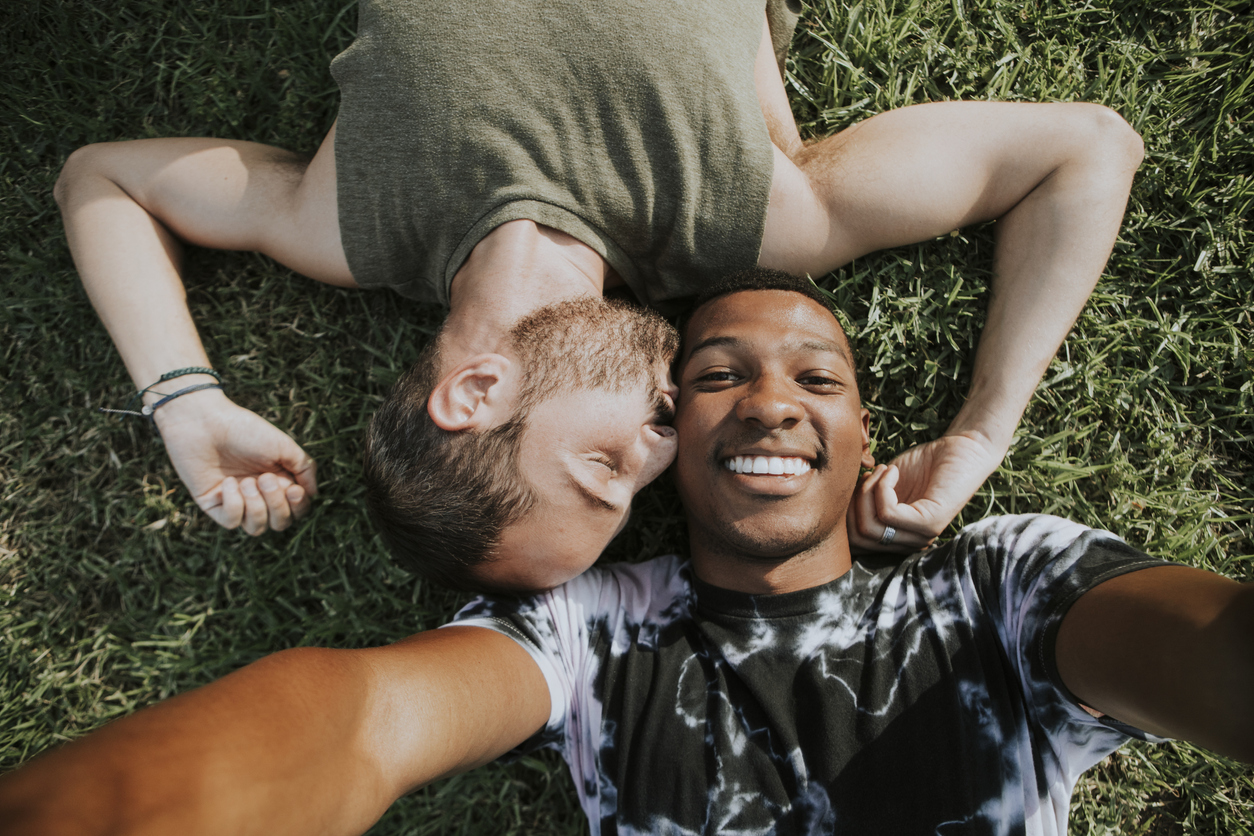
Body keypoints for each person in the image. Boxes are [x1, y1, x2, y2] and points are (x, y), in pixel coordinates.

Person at [2, 272, 1248, 835]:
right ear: (667, 432)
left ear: (865, 432)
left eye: (819, 377)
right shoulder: (590, 630)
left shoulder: (1001, 583)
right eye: (716, 375)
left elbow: (1210, 657)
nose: (771, 401)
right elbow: (366, 721)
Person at [53, 0, 1144, 587]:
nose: (662, 453)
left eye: (603, 468)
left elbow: (98, 176)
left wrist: (185, 400)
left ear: (473, 390)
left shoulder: (340, 222)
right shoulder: (763, 216)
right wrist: (980, 435)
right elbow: (1085, 150)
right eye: (637, 488)